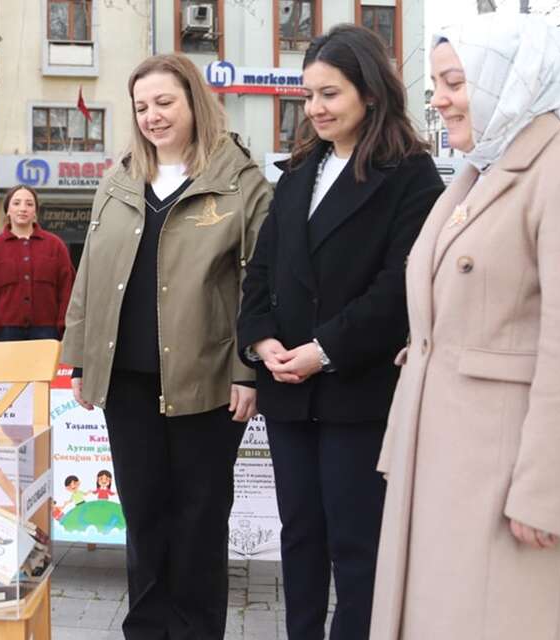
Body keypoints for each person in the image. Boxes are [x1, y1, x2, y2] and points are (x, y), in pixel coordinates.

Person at [370, 14, 560, 639]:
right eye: (437, 85)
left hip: (505, 482)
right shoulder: (479, 171)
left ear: (511, 79)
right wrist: (402, 445)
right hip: (443, 470)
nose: (440, 99)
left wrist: (545, 494)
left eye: (456, 81)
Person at [233, 25, 443, 640]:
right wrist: (261, 339)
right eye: (309, 96)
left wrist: (324, 351)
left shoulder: (410, 174)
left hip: (358, 393)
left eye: (330, 94)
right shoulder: (299, 171)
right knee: (299, 537)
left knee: (356, 545)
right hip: (290, 396)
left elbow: (401, 286)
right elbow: (263, 270)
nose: (316, 109)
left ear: (370, 94)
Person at [61, 53, 270, 639]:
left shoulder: (240, 181)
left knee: (199, 520)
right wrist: (80, 360)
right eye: (142, 107)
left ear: (194, 103)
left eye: (164, 102)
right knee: (145, 517)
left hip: (206, 382)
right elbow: (90, 275)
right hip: (126, 380)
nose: (152, 116)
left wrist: (246, 370)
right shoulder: (120, 178)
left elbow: (260, 282)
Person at [0, 185, 74, 341]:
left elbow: (67, 291)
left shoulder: (55, 246)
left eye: (29, 204)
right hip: (5, 334)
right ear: (8, 210)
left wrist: (65, 329)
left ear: (35, 212)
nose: (23, 208)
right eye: (16, 203)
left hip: (47, 334)